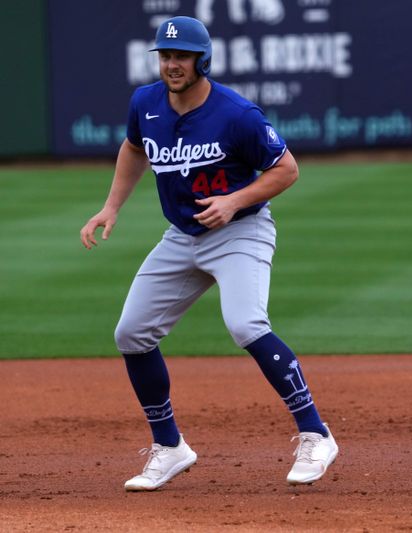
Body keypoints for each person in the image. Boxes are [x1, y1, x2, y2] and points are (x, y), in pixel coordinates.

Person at [79, 16, 338, 491]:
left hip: (241, 230)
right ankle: (170, 445)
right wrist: (110, 207)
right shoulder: (146, 102)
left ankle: (315, 433)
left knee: (245, 323)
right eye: (165, 55)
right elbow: (134, 148)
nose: (172, 64)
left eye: (181, 56)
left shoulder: (237, 114)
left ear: (203, 60)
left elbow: (287, 169)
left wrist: (235, 201)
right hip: (182, 236)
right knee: (132, 333)